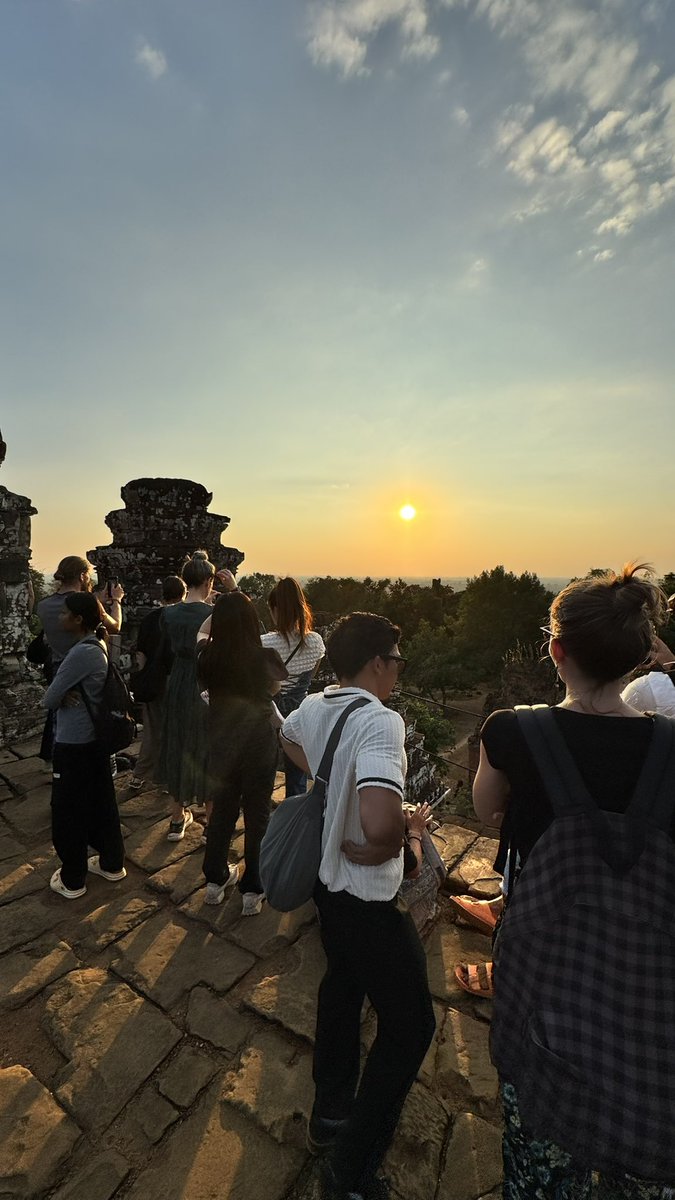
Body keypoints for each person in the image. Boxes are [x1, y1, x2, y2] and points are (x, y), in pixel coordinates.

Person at [472, 563, 675, 1198]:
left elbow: (485, 811)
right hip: (643, 967)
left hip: (541, 950)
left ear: (556, 650)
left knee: (538, 1129)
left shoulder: (512, 730)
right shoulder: (669, 744)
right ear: (640, 657)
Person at [280, 612, 436, 1200]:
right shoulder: (380, 722)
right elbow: (377, 826)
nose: (397, 670)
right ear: (377, 662)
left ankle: (330, 1113)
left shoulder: (319, 705)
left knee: (342, 986)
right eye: (396, 660)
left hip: (327, 885)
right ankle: (351, 1168)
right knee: (412, 1025)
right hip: (367, 896)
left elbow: (287, 737)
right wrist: (406, 836)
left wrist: (327, 777)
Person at [197, 591, 285, 914]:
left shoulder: (207, 657)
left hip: (222, 740)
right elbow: (274, 690)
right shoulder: (264, 657)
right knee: (258, 813)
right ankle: (253, 889)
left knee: (222, 809)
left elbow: (203, 634)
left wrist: (217, 612)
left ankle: (215, 880)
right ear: (253, 623)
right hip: (258, 741)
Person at [42, 592, 126, 899]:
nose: (59, 617)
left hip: (74, 742)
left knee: (68, 810)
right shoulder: (97, 644)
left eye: (65, 613)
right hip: (94, 740)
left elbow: (48, 699)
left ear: (79, 620)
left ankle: (73, 879)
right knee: (101, 804)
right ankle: (111, 863)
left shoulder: (81, 653)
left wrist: (60, 695)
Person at [36, 556, 124, 761]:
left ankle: (55, 760)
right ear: (83, 575)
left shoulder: (43, 605)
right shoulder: (86, 603)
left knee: (62, 720)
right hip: (86, 669)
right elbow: (115, 626)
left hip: (57, 667)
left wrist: (95, 603)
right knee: (92, 720)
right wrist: (116, 602)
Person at [158, 550, 217, 841]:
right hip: (204, 680)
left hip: (178, 680)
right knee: (205, 747)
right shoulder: (212, 614)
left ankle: (176, 818)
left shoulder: (168, 614)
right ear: (208, 581)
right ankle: (210, 820)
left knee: (177, 743)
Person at [261, 578, 325, 795]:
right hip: (301, 712)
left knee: (265, 768)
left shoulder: (265, 643)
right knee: (297, 772)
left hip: (270, 712)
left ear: (275, 609)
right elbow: (310, 677)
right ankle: (294, 819)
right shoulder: (315, 642)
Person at [129, 575, 186, 791]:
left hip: (154, 679)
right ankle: (168, 778)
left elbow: (141, 656)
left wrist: (145, 678)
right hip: (178, 679)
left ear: (163, 595)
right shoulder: (184, 619)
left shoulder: (150, 619)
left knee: (152, 729)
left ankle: (139, 775)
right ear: (183, 594)